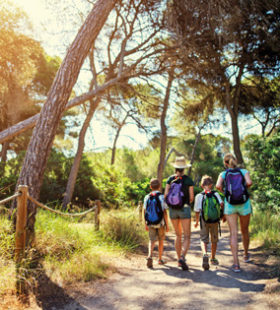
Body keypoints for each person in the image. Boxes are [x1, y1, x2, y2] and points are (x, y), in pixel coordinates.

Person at [216, 153, 253, 273]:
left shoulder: (223, 174)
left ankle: (236, 264)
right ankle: (246, 255)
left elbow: (217, 185)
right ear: (235, 161)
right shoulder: (243, 171)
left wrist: (226, 191)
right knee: (245, 230)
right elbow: (249, 183)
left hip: (230, 204)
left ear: (225, 164)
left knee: (233, 233)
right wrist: (241, 189)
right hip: (244, 203)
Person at [164, 156, 194, 270]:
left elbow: (166, 195)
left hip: (172, 210)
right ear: (184, 168)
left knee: (178, 235)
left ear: (175, 168)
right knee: (187, 235)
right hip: (184, 209)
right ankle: (182, 257)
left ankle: (178, 260)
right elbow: (191, 197)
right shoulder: (188, 180)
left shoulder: (170, 179)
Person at [194, 175, 224, 270]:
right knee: (214, 239)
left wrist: (196, 221)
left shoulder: (199, 196)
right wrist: (222, 215)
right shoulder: (216, 194)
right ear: (211, 185)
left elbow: (197, 210)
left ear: (202, 186)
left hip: (204, 220)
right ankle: (213, 258)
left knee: (203, 239)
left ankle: (205, 254)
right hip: (215, 220)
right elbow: (222, 204)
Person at [144, 178, 169, 268]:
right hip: (160, 223)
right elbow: (165, 212)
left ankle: (149, 256)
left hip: (150, 222)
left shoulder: (147, 197)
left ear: (150, 187)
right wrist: (167, 224)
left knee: (151, 240)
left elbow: (145, 211)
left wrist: (145, 224)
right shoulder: (162, 197)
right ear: (159, 187)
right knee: (161, 240)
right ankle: (160, 259)